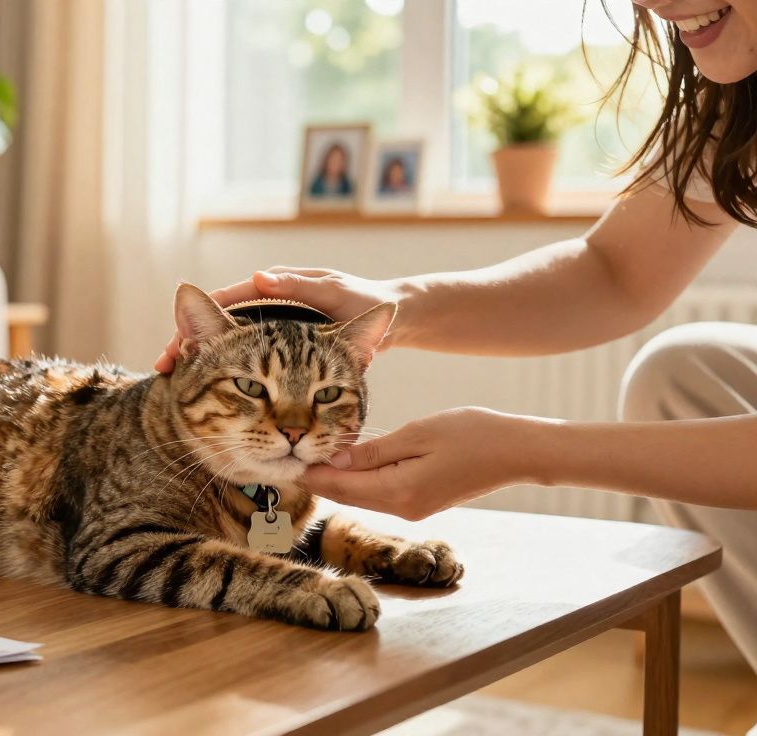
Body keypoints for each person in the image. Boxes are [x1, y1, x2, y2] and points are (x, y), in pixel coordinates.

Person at [156, 0, 757, 672]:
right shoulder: (735, 102)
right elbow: (614, 271)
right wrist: (398, 304)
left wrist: (529, 450)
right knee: (681, 374)